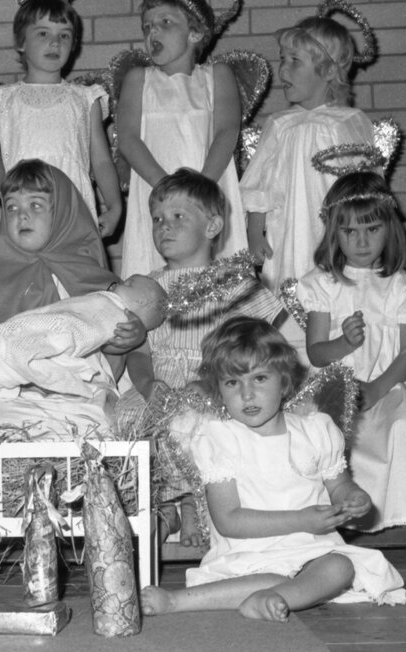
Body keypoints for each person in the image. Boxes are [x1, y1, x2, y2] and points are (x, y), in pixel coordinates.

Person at [141, 317, 406, 622]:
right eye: (232, 383)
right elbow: (228, 521)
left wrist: (352, 496)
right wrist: (302, 519)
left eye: (260, 378)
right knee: (272, 577)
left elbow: (337, 483)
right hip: (251, 555)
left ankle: (271, 598)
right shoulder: (219, 439)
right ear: (219, 391)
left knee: (340, 567)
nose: (247, 394)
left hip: (311, 552)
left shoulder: (316, 430)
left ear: (284, 381)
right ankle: (177, 601)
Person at [122, 168, 288, 547]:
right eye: (159, 219)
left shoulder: (233, 284)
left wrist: (214, 381)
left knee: (203, 423)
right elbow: (139, 349)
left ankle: (196, 504)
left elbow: (256, 347)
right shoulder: (146, 286)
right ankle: (161, 507)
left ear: (213, 225)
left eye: (179, 216)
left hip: (217, 382)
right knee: (132, 418)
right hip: (159, 380)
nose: (165, 226)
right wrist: (147, 384)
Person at [297, 172, 406, 551]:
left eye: (372, 230)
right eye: (349, 232)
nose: (361, 242)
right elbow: (315, 352)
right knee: (322, 434)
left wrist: (376, 389)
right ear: (334, 233)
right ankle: (333, 520)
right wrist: (343, 343)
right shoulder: (323, 285)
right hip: (336, 383)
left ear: (389, 229)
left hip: (394, 382)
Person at [0, 159, 143, 439]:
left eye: (35, 205)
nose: (21, 216)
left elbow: (107, 342)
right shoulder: (1, 272)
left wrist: (129, 337)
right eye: (11, 207)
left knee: (97, 432)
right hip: (19, 400)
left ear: (62, 211)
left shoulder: (91, 273)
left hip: (82, 398)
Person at [241, 9, 376, 289]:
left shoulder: (349, 123)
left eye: (295, 61)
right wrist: (255, 232)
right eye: (282, 59)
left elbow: (367, 187)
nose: (283, 70)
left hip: (336, 234)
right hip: (287, 235)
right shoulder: (280, 124)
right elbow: (259, 185)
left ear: (328, 70)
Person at [117, 0, 247, 277]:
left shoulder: (217, 76)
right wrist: (169, 192)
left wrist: (198, 192)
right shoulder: (138, 80)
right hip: (157, 191)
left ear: (195, 33)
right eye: (147, 26)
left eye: (165, 23)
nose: (153, 32)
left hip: (208, 186)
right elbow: (128, 138)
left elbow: (226, 132)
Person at [0, 0, 122, 234]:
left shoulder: (85, 99)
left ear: (73, 44)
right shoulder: (1, 99)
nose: (55, 42)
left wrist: (114, 207)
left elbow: (101, 160)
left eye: (64, 36)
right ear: (21, 42)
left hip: (75, 213)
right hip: (22, 215)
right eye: (43, 33)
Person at [0, 274, 167, 403]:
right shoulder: (103, 299)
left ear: (141, 302)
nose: (117, 284)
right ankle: (12, 352)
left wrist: (132, 335)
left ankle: (10, 356)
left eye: (128, 284)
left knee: (50, 340)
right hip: (57, 330)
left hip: (75, 352)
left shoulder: (120, 313)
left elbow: (104, 334)